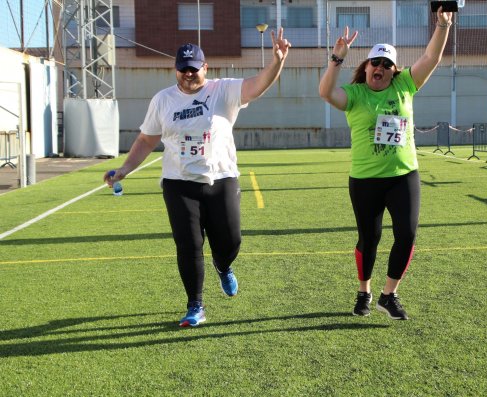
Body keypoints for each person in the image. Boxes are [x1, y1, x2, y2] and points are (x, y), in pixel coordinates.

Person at [103, 29, 291, 327]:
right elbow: (145, 140)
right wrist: (125, 169)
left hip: (221, 179)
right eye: (183, 69)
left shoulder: (222, 90)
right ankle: (195, 305)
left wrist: (277, 62)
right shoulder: (163, 100)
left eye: (194, 68)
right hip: (179, 184)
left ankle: (223, 264)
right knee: (189, 245)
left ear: (205, 68)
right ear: (175, 70)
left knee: (230, 240)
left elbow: (256, 86)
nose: (188, 74)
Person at [319, 8, 453, 320]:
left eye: (387, 64)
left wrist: (442, 26)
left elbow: (430, 59)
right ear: (365, 68)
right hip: (365, 179)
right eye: (375, 62)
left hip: (403, 175)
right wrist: (337, 58)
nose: (380, 67)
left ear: (394, 71)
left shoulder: (405, 85)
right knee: (370, 238)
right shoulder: (354, 95)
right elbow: (325, 92)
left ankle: (388, 294)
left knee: (406, 234)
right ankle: (364, 291)